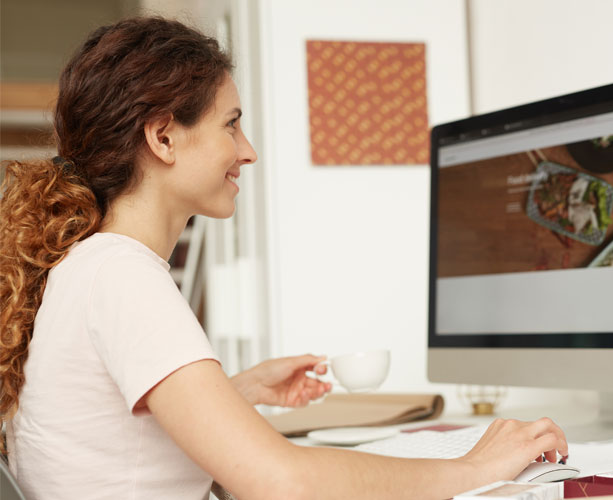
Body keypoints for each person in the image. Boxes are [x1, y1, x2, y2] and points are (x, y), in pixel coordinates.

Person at [0, 16, 568, 500]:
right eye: (231, 124)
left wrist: (236, 391)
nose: (247, 152)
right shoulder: (121, 275)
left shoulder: (86, 267)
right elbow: (280, 481)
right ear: (164, 138)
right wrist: (471, 468)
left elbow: (103, 435)